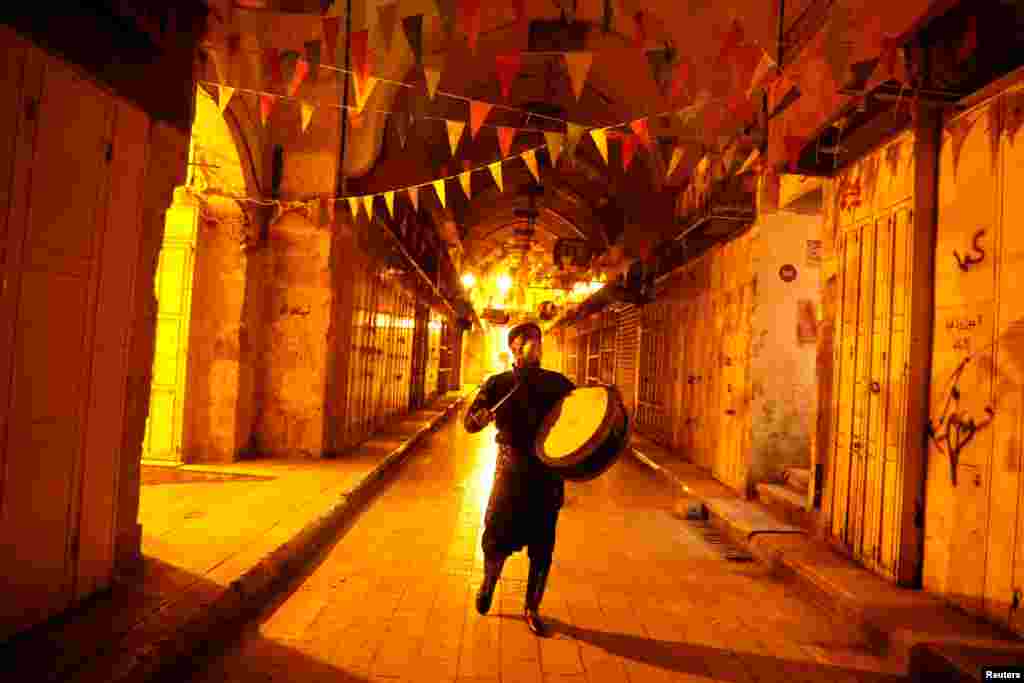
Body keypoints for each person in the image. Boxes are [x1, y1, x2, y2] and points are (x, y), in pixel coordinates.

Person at [462, 321, 575, 637]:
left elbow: (582, 414)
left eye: (538, 339)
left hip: (547, 474)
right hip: (510, 472)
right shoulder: (498, 384)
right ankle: (488, 583)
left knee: (543, 545)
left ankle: (532, 608)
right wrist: (479, 419)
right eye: (527, 339)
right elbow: (470, 423)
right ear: (513, 345)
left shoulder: (558, 384)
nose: (534, 344)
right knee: (496, 535)